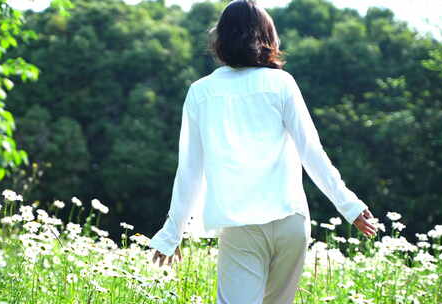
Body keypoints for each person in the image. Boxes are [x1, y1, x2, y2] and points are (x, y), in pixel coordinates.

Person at [148, 1, 377, 303]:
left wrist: (172, 232)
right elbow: (312, 152)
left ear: (220, 39)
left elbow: (190, 170)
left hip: (240, 228)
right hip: (292, 222)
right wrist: (349, 206)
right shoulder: (281, 83)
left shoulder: (201, 92)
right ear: (267, 37)